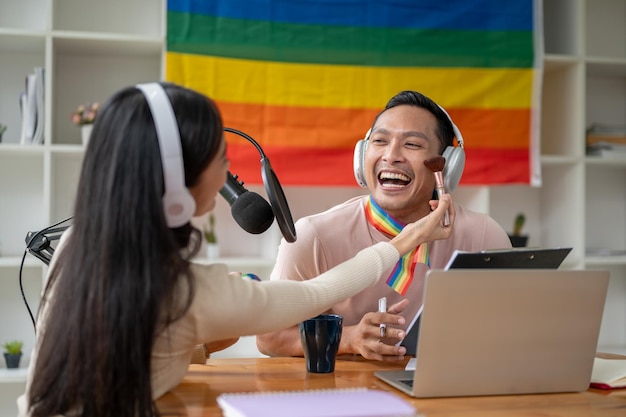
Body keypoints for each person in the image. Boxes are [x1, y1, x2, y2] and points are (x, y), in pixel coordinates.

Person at [17, 83, 454, 417]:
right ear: (177, 178)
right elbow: (315, 295)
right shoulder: (191, 291)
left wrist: (195, 344)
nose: (230, 173)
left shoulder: (77, 243)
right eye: (220, 158)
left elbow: (119, 357)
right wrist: (409, 238)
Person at [256, 90, 512, 362]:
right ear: (361, 157)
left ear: (447, 166)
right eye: (379, 141)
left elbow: (513, 330)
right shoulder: (314, 236)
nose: (391, 155)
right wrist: (348, 339)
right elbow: (269, 338)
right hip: (343, 397)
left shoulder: (484, 235)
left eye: (412, 144)